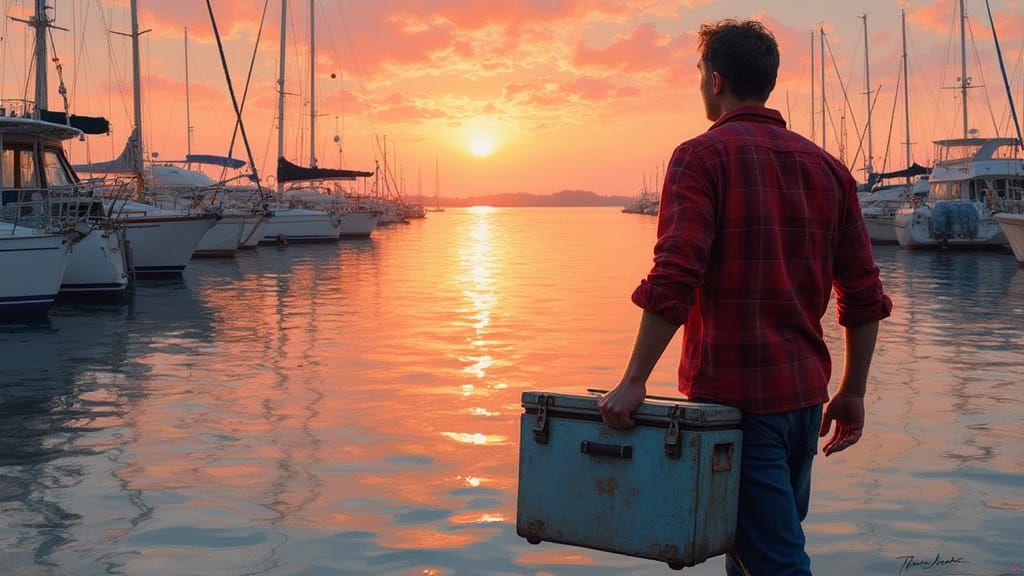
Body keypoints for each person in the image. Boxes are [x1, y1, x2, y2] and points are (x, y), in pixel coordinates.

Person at [597, 19, 892, 576]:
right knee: (749, 551)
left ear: (715, 81)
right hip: (804, 401)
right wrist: (853, 392)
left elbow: (676, 276)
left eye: (700, 73)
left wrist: (634, 380)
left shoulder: (700, 158)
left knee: (775, 563)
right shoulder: (830, 172)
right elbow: (864, 294)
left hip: (738, 404)